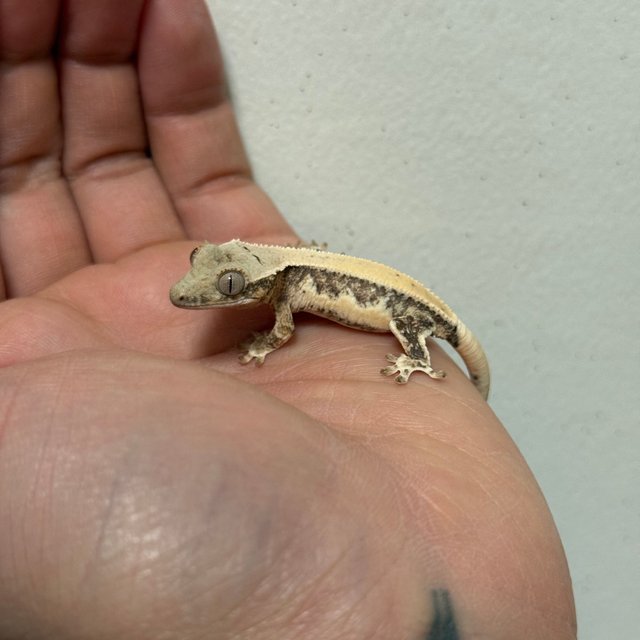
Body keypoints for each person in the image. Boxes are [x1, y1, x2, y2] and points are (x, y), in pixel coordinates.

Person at [0, 1, 577, 638]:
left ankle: (415, 354)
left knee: (407, 331)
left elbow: (282, 332)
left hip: (407, 307)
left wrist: (276, 350)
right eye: (209, 272)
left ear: (259, 281)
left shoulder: (284, 292)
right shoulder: (280, 275)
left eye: (226, 289)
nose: (202, 297)